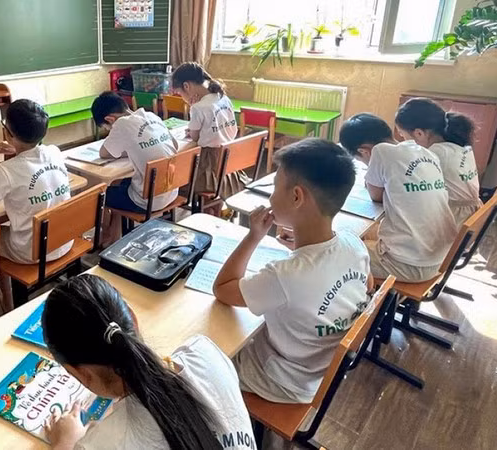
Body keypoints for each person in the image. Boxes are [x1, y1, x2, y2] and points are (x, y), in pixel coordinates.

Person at [213, 139, 371, 406]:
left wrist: (254, 236)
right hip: (319, 371)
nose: (271, 197)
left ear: (297, 196)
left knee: (208, 348)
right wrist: (301, 247)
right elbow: (367, 282)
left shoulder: (285, 275)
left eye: (274, 188)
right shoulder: (353, 242)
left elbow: (223, 288)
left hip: (282, 381)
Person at [42, 274, 256, 450]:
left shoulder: (99, 444)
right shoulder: (204, 353)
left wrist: (64, 442)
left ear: (79, 373)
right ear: (134, 320)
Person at [0, 99, 72, 312]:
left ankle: (7, 297)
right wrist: (17, 149)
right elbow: (31, 163)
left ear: (7, 133)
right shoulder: (54, 152)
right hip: (64, 240)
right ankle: (8, 296)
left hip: (31, 252)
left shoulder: (6, 171)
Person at [340, 113, 458, 282]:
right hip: (442, 258)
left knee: (336, 253)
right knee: (373, 232)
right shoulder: (425, 152)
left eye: (363, 160)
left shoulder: (380, 151)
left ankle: (362, 301)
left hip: (410, 266)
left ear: (364, 151)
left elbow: (376, 197)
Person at [91, 91, 179, 245]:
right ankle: (113, 235)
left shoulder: (122, 124)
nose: (109, 131)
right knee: (117, 184)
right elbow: (175, 145)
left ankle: (105, 236)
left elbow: (104, 153)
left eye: (107, 128)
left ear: (110, 119)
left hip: (148, 200)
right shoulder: (152, 116)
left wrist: (127, 149)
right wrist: (134, 148)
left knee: (102, 195)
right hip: (171, 191)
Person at [395, 97, 482, 225]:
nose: (403, 140)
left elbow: (408, 185)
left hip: (453, 220)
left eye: (403, 135)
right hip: (471, 215)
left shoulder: (435, 154)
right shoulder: (458, 144)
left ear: (419, 133)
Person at [171, 62, 241, 203]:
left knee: (174, 178)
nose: (182, 98)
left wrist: (193, 107)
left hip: (208, 166)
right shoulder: (222, 97)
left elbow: (195, 137)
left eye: (180, 94)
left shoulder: (198, 107)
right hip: (229, 161)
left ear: (186, 86)